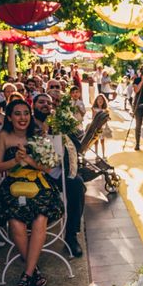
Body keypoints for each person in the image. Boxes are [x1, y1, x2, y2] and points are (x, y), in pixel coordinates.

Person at [0, 100, 64, 286]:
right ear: (9, 117)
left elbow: (48, 167)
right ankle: (35, 272)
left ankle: (27, 274)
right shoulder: (3, 136)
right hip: (13, 185)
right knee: (16, 223)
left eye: (26, 113)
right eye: (17, 113)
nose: (22, 117)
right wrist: (14, 161)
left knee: (40, 218)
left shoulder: (37, 135)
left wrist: (29, 160)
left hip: (39, 185)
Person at [33, 94, 85, 258]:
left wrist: (65, 132)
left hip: (56, 173)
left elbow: (77, 145)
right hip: (33, 173)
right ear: (33, 105)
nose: (46, 105)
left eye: (49, 102)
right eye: (41, 102)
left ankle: (71, 235)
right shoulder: (27, 122)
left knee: (77, 184)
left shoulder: (59, 121)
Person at [91, 94, 112, 158]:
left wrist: (108, 118)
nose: (100, 101)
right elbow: (93, 117)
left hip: (103, 127)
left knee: (102, 141)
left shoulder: (105, 110)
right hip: (96, 126)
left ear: (104, 101)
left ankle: (103, 155)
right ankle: (96, 154)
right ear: (96, 101)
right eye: (98, 99)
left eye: (101, 99)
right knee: (96, 141)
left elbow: (107, 118)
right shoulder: (94, 109)